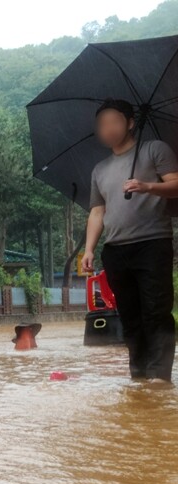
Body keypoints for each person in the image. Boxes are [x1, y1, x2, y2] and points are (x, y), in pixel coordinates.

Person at [82, 98, 178, 384]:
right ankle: (139, 376)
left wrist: (147, 186)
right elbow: (98, 210)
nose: (108, 128)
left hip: (153, 243)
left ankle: (159, 377)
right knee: (129, 317)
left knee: (156, 311)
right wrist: (88, 249)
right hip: (115, 250)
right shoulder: (99, 169)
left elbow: (175, 184)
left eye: (114, 121)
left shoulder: (154, 150)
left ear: (131, 122)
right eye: (102, 124)